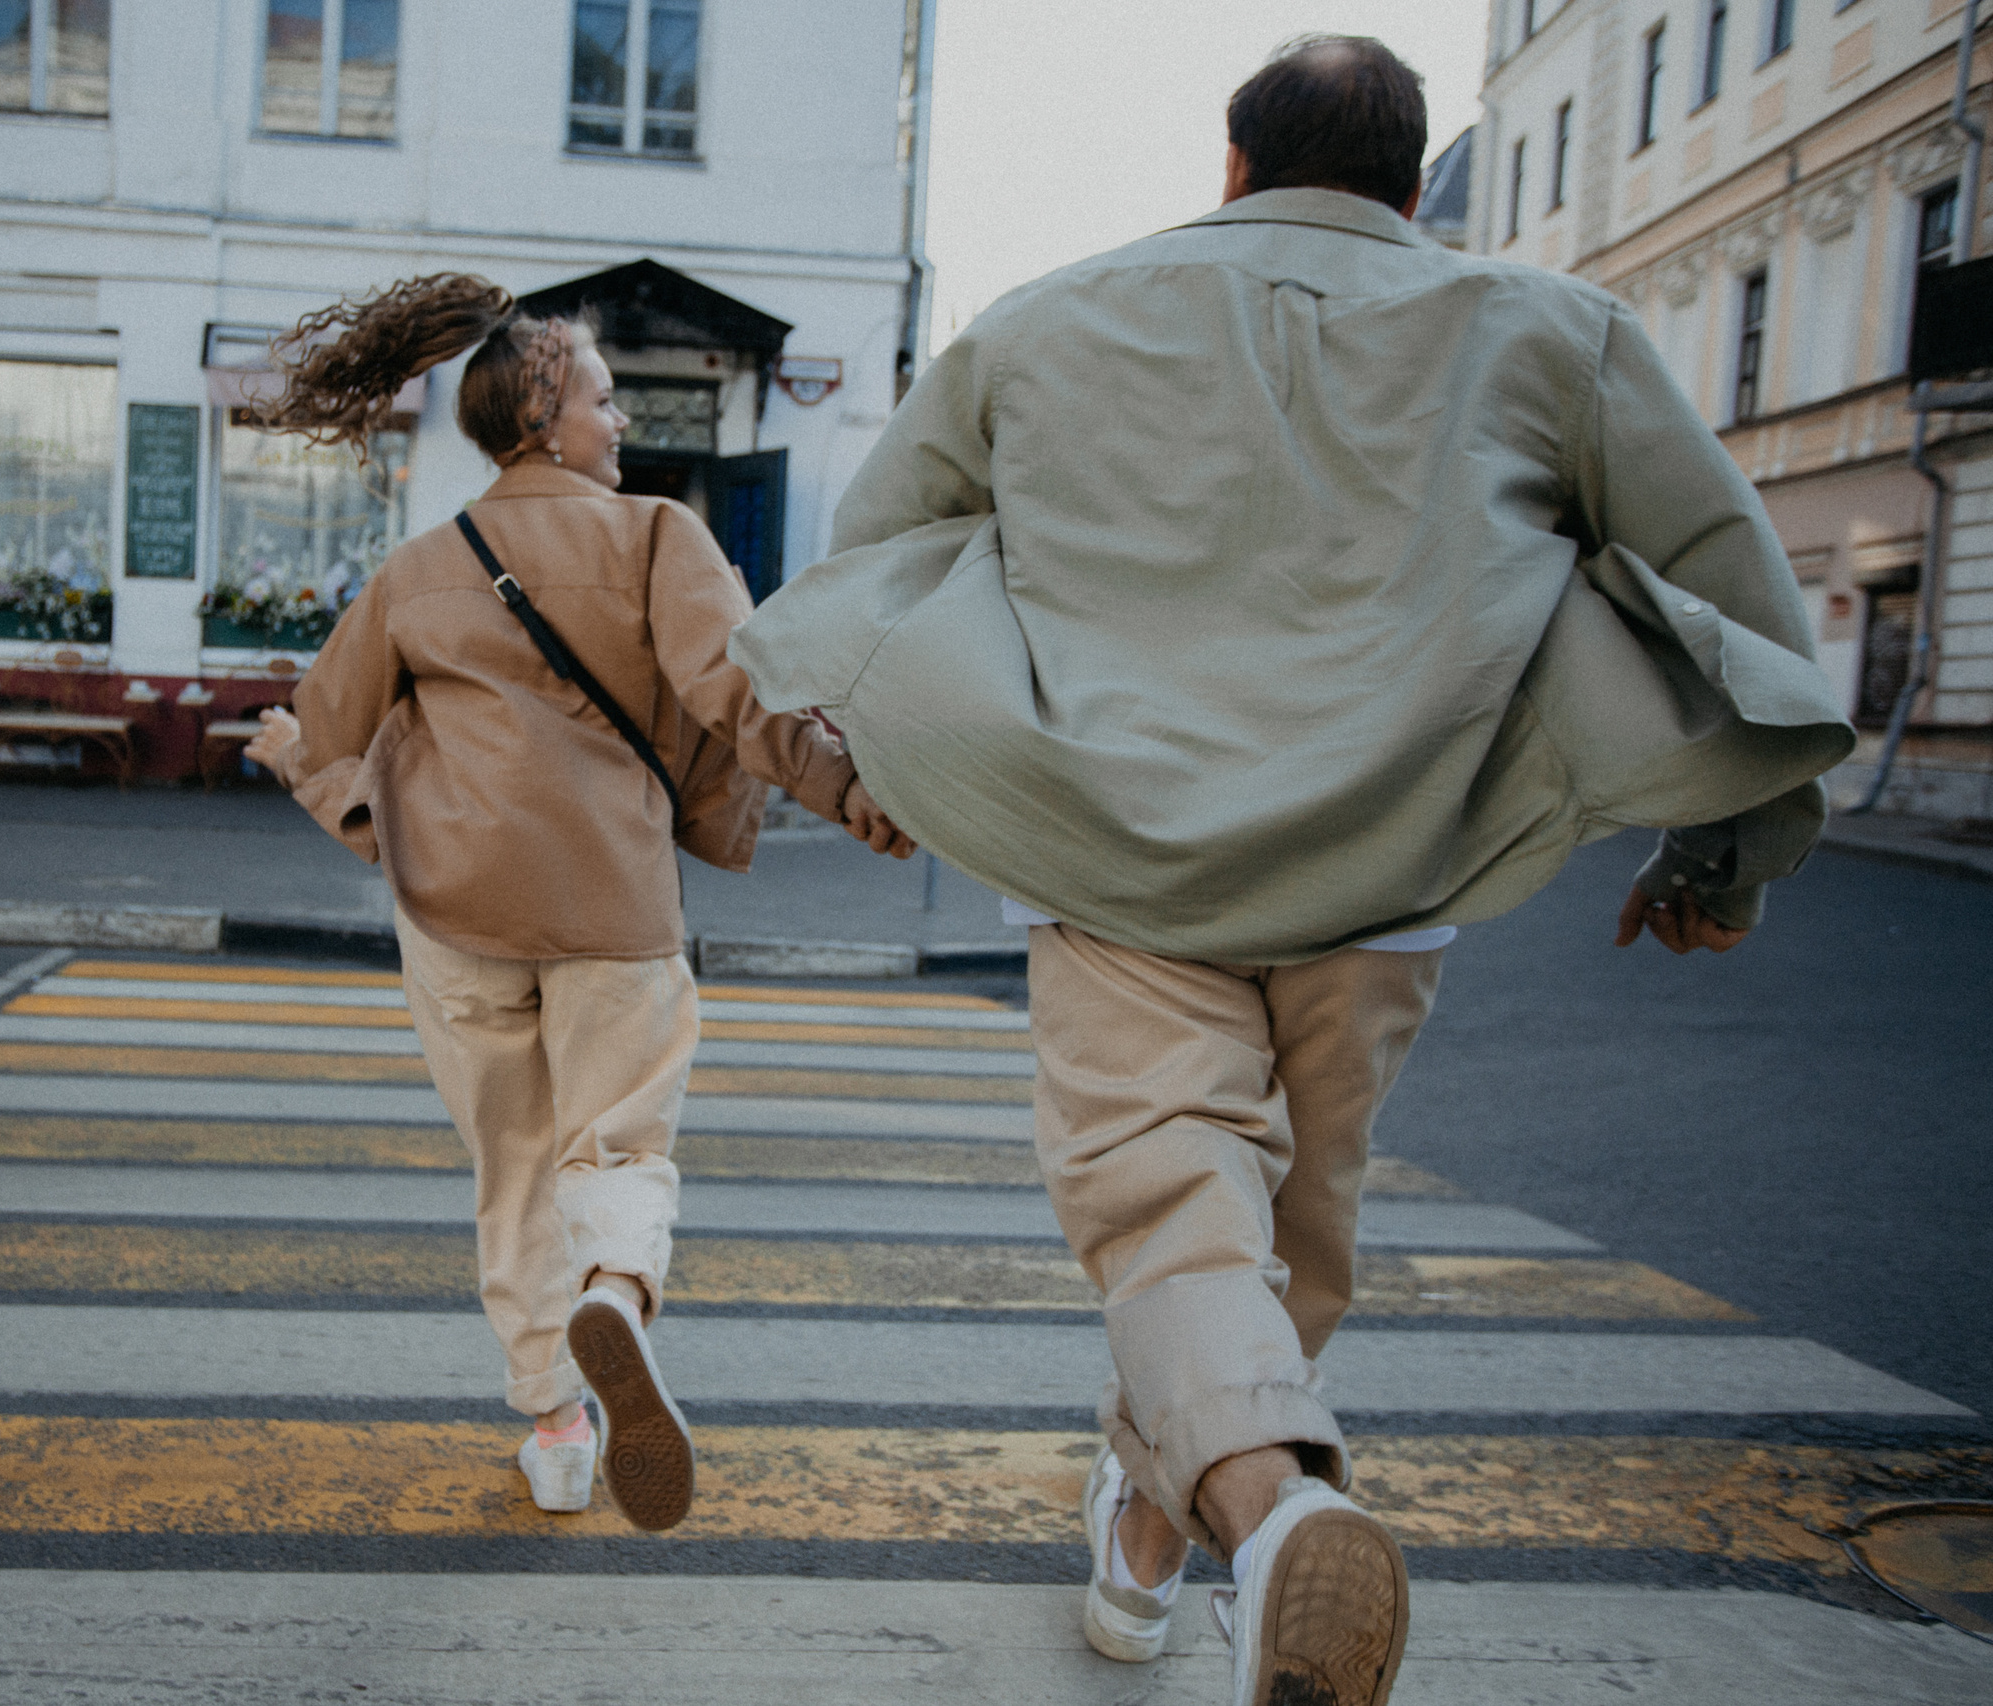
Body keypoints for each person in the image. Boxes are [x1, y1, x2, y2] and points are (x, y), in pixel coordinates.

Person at [729, 36, 1851, 1706]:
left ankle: (1264, 1517)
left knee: (1174, 1220)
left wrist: (885, 771)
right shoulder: (1552, 332)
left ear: (1234, 166)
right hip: (1387, 870)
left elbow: (875, 568)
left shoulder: (1042, 322)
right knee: (1287, 1250)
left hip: (1111, 856)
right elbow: (1735, 603)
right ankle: (1147, 1536)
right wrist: (1724, 855)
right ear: (1411, 191)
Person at [242, 274, 915, 1532]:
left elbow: (324, 732)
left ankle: (555, 1426)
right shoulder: (657, 535)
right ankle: (616, 1286)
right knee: (618, 1138)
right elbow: (743, 694)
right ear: (544, 413)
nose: (622, 423)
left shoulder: (416, 569)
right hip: (610, 895)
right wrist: (858, 797)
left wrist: (321, 784)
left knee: (509, 1166)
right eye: (605, 400)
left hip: (453, 914)